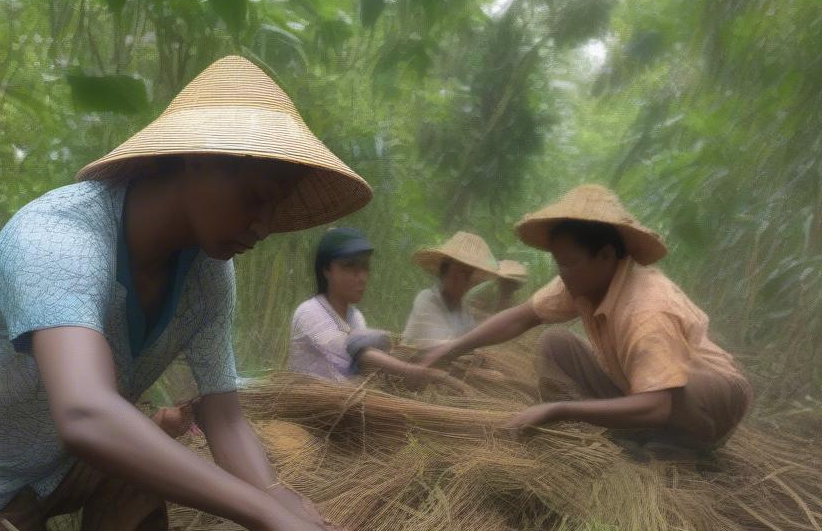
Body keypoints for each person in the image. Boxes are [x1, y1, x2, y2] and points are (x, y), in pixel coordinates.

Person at [0, 56, 377, 531]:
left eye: (276, 206)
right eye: (256, 197)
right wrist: (266, 517)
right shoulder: (58, 238)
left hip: (56, 457)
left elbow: (223, 415)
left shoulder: (209, 272)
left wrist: (281, 500)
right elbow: (87, 414)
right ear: (196, 161)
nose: (263, 225)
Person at [419, 185, 753, 449]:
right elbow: (519, 318)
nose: (561, 274)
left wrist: (560, 410)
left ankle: (681, 446)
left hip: (707, 402)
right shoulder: (582, 279)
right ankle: (624, 434)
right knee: (556, 344)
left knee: (667, 397)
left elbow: (660, 404)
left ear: (606, 256)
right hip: (646, 392)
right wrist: (450, 350)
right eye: (558, 263)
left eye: (568, 263)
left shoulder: (648, 309)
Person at [288, 227, 456, 389]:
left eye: (364, 267)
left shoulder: (356, 317)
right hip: (311, 411)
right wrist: (415, 371)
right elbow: (358, 355)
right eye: (349, 266)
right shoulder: (309, 312)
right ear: (326, 270)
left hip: (344, 405)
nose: (361, 277)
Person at [401, 231, 501, 347]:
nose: (462, 280)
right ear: (445, 272)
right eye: (458, 272)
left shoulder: (462, 309)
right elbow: (439, 347)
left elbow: (473, 339)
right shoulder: (427, 299)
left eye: (468, 275)